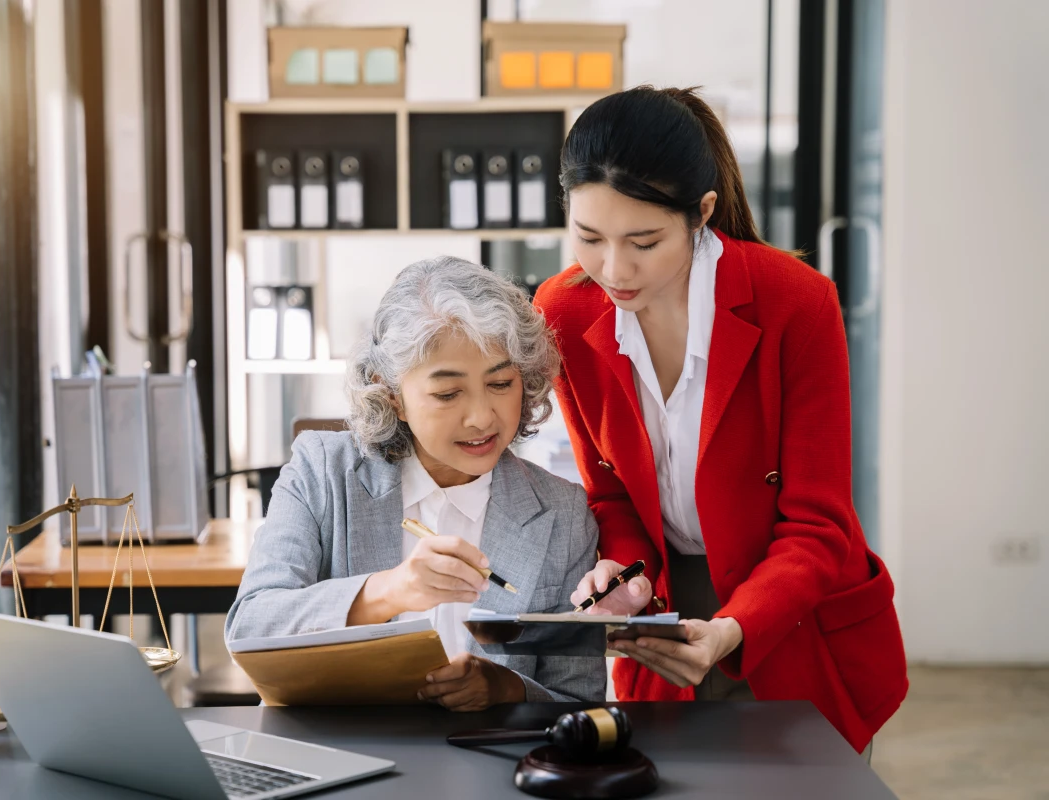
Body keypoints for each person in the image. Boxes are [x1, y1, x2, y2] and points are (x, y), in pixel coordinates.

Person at [533, 85, 907, 754]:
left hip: (791, 609)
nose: (613, 269)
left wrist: (734, 628)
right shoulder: (565, 310)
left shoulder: (795, 302)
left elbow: (819, 528)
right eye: (589, 237)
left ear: (701, 213)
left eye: (643, 240)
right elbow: (611, 492)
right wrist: (622, 571)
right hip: (667, 615)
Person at [227, 256, 605, 710]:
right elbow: (251, 626)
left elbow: (581, 700)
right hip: (343, 756)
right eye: (448, 394)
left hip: (491, 767)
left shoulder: (562, 514)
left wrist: (506, 689)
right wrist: (388, 590)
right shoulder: (323, 471)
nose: (482, 417)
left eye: (501, 383)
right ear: (392, 395)